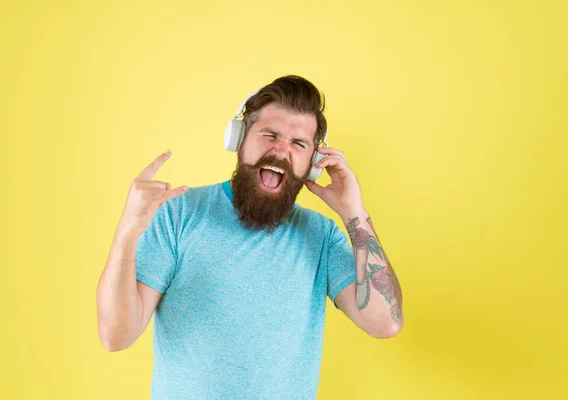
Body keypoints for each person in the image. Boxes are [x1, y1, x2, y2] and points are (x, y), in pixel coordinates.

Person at [96, 75, 404, 399]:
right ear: (239, 138)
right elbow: (116, 336)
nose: (281, 151)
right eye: (269, 134)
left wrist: (354, 214)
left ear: (314, 162)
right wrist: (128, 232)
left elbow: (385, 323)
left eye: (299, 144)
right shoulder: (178, 215)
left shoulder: (322, 237)